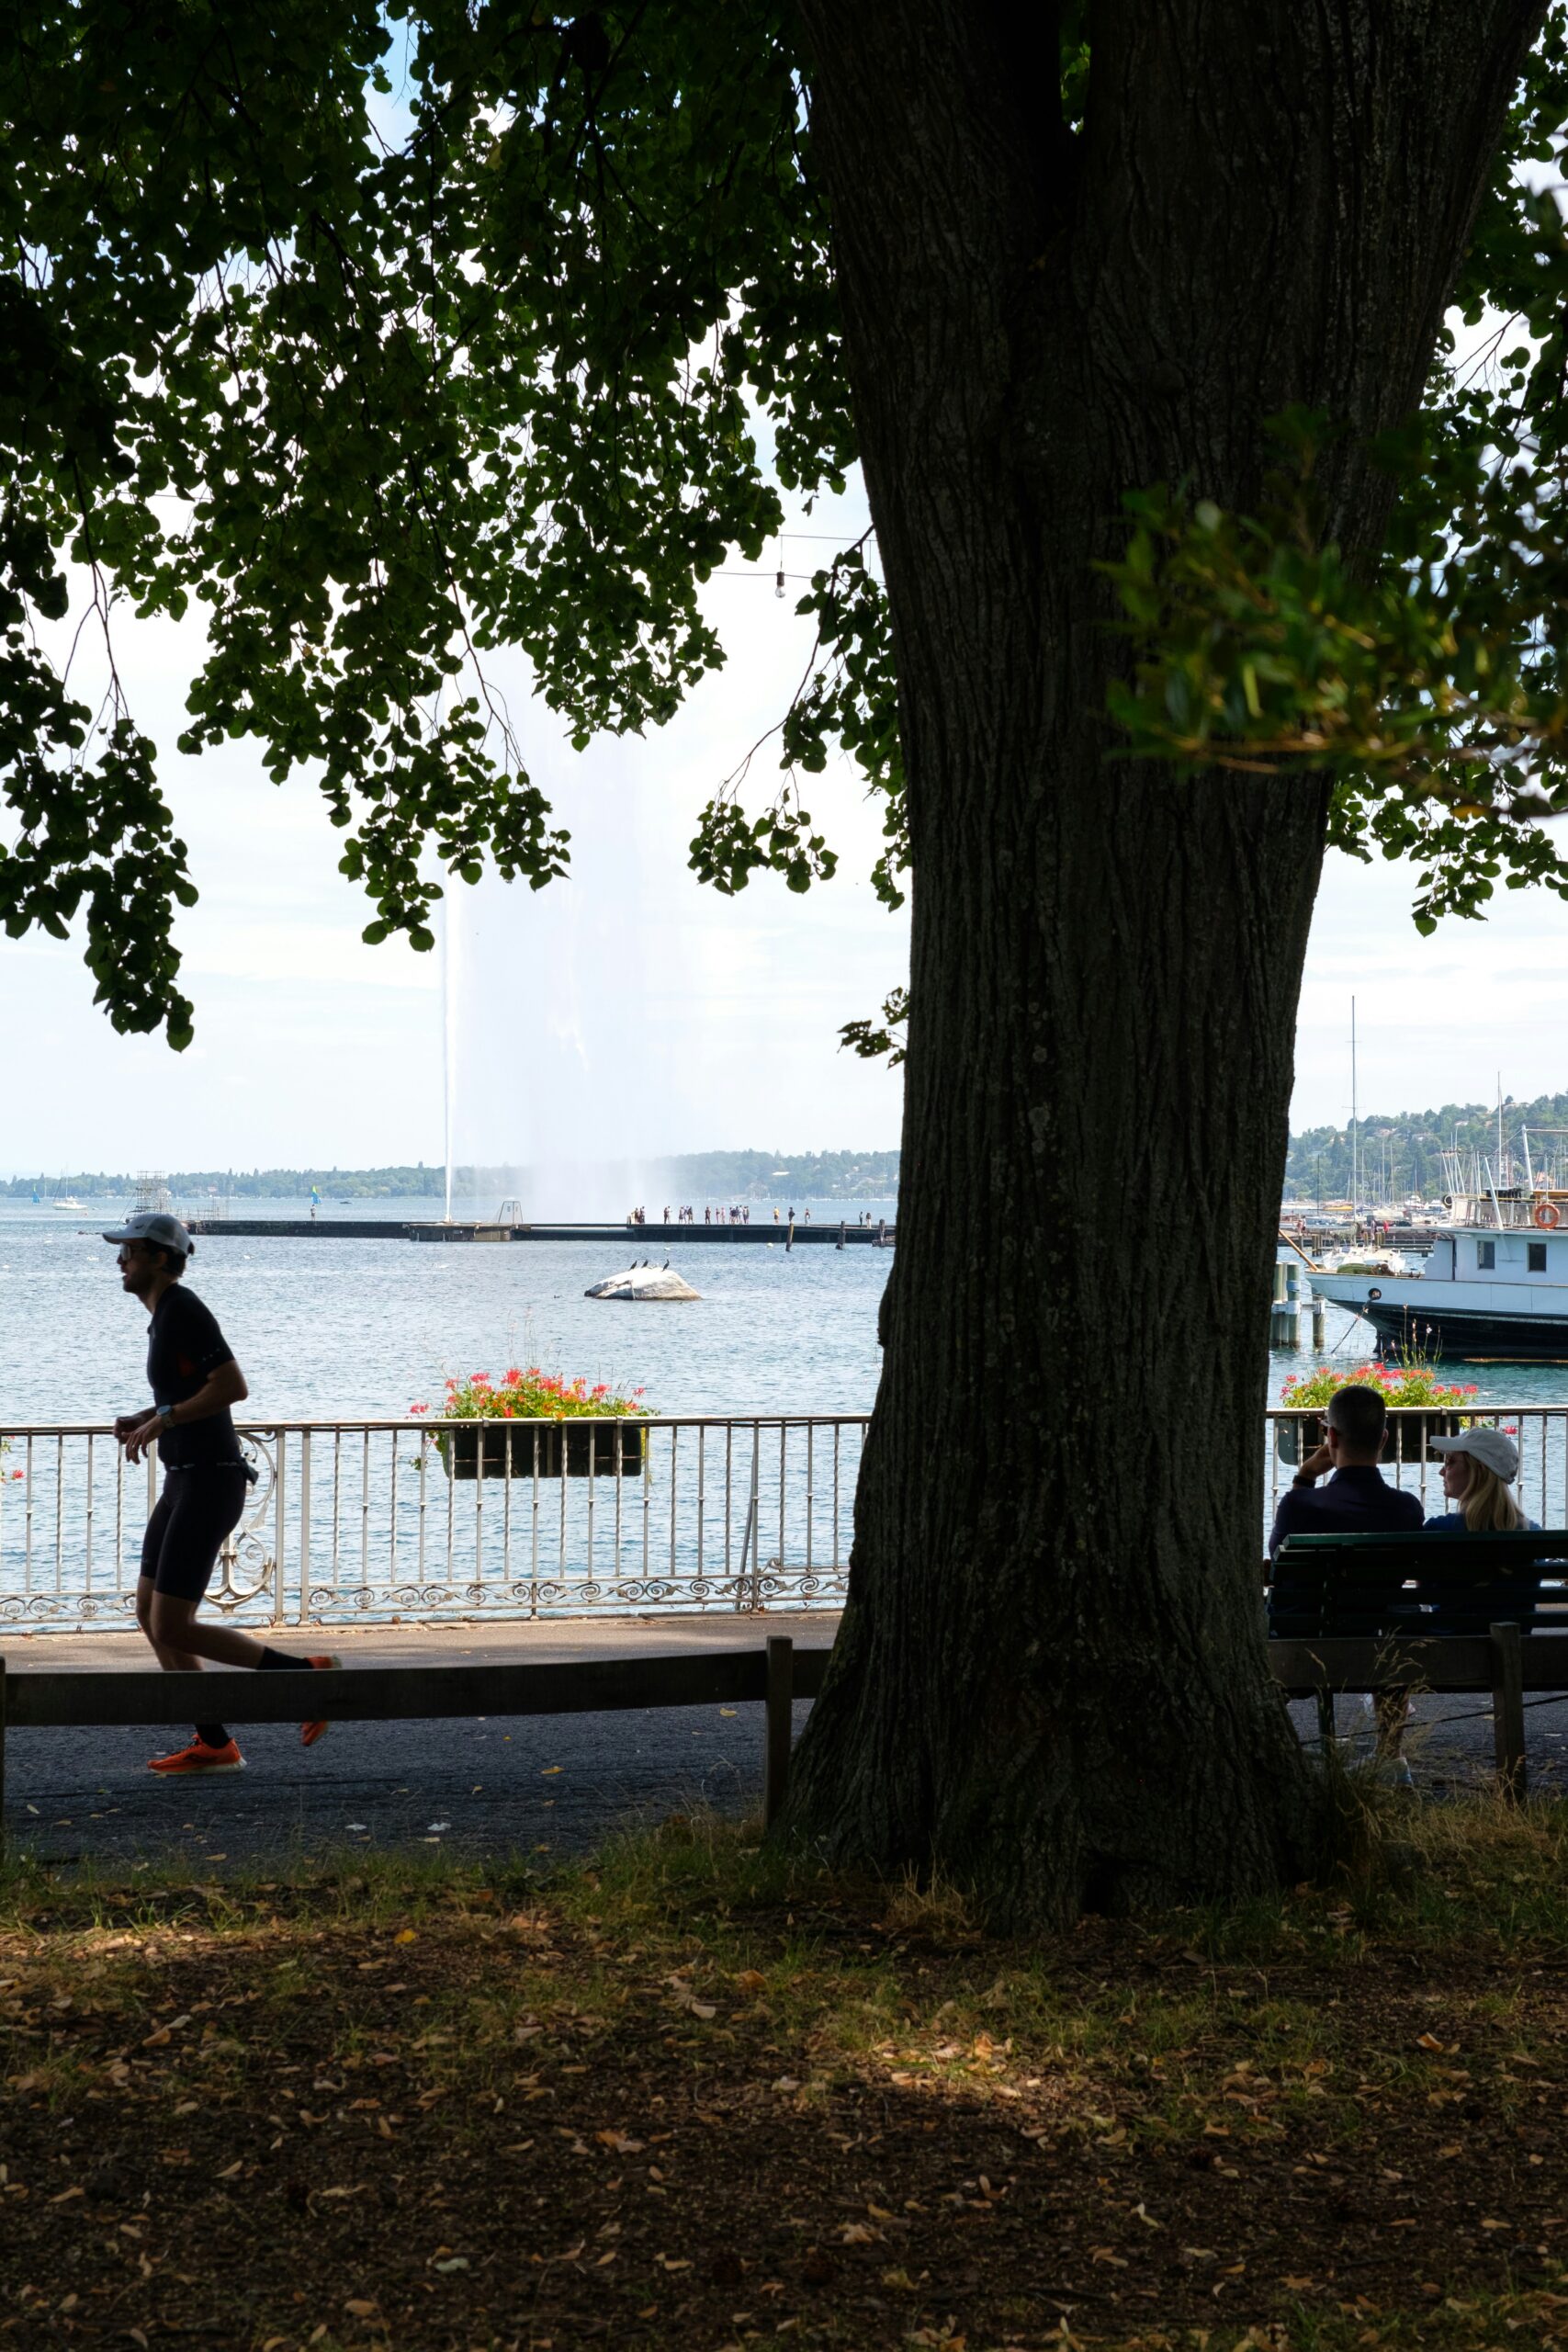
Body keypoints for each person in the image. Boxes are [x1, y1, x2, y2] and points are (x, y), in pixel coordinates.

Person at [105, 1212, 339, 1776]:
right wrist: (149, 1414)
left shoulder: (183, 1308)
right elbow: (192, 1392)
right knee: (148, 1613)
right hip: (185, 1476)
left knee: (173, 1625)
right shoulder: (164, 1318)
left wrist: (162, 1419)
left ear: (161, 1259)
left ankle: (307, 1677)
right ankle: (215, 1744)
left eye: (131, 1252)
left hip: (210, 1479)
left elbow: (233, 1386)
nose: (120, 1261)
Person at [1267, 1383, 1425, 1557]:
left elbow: (1277, 1557)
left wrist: (1305, 1476)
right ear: (1383, 1439)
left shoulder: (1297, 1505)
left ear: (1332, 1437)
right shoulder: (1409, 1509)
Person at [1425, 1427, 1537, 1532]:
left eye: (1450, 1462)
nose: (1441, 1472)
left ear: (1479, 1471)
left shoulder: (1439, 1529)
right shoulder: (1533, 1532)